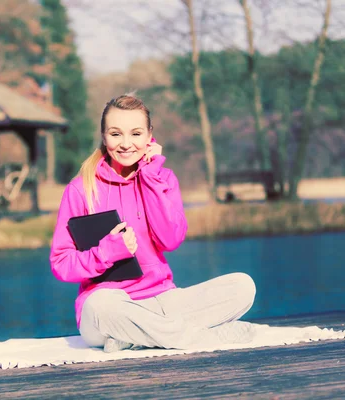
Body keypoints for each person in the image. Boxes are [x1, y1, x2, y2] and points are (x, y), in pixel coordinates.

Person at [50, 93, 256, 353]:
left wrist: (149, 176)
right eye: (115, 134)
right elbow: (61, 263)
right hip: (108, 305)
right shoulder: (81, 189)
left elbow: (170, 240)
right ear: (103, 136)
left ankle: (134, 337)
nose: (126, 144)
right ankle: (201, 338)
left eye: (135, 134)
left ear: (149, 136)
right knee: (100, 306)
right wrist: (107, 252)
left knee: (242, 287)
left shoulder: (163, 179)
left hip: (162, 300)